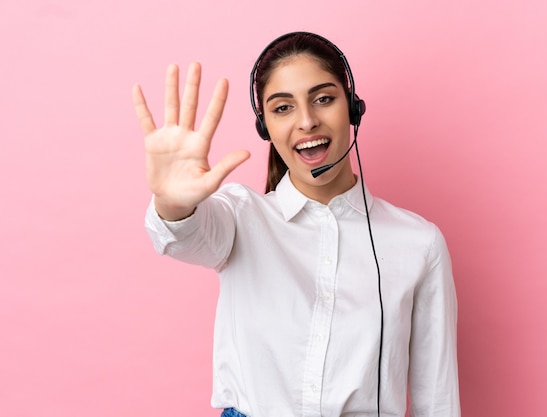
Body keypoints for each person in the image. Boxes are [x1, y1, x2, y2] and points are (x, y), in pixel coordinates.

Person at [133, 32, 460, 417]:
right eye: (283, 108)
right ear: (265, 128)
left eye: (323, 99)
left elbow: (436, 401)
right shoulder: (241, 216)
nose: (307, 121)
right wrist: (172, 202)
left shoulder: (419, 243)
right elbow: (183, 237)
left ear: (352, 108)